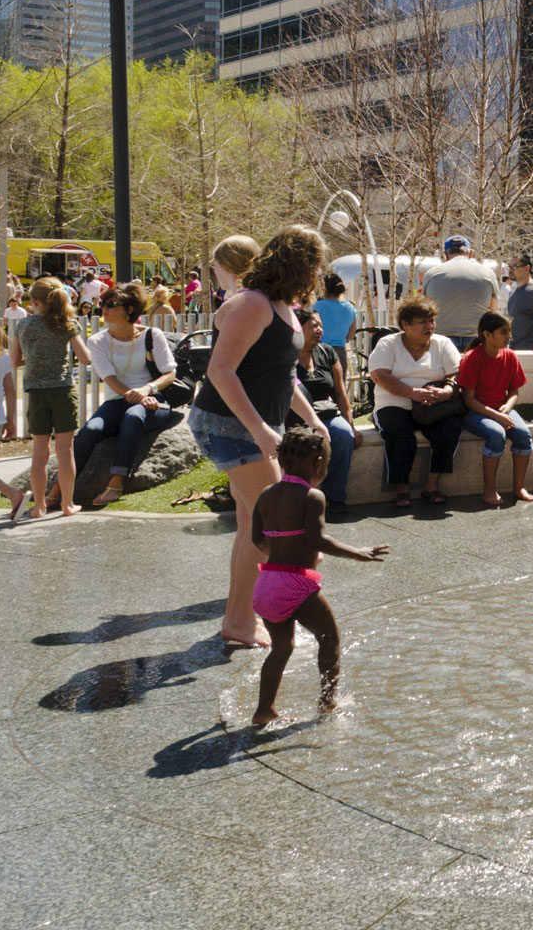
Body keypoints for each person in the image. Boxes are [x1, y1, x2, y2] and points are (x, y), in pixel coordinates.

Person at [189, 228, 331, 649]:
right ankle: (276, 615)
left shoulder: (283, 307)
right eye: (317, 264)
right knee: (281, 524)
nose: (320, 272)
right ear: (301, 264)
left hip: (252, 426)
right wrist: (261, 429)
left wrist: (312, 418)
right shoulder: (252, 303)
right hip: (228, 426)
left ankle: (238, 621)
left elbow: (283, 375)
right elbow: (220, 371)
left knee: (255, 525)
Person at [249, 426, 390, 725]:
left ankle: (264, 710)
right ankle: (327, 702)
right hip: (296, 585)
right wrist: (358, 552)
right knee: (330, 639)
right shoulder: (311, 496)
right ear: (317, 464)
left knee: (281, 648)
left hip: (266, 584)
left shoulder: (266, 494)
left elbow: (257, 539)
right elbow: (318, 540)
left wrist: (282, 552)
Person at [72, 283, 183, 507]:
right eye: (103, 304)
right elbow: (109, 379)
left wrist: (146, 391)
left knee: (134, 416)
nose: (104, 308)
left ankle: (117, 481)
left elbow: (170, 373)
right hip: (117, 401)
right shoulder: (97, 341)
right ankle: (59, 485)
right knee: (91, 429)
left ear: (130, 309)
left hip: (155, 400)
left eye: (112, 304)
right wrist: (138, 396)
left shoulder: (152, 335)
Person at [367, 295, 465, 510]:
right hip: (394, 404)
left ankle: (432, 486)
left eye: (432, 321)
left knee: (451, 429)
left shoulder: (442, 344)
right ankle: (401, 489)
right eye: (423, 322)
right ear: (405, 325)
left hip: (434, 406)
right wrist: (412, 393)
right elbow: (379, 376)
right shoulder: (388, 344)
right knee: (400, 435)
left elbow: (458, 375)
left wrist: (446, 392)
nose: (430, 326)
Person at [10, 278, 93, 518]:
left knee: (40, 452)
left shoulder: (23, 326)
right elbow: (85, 358)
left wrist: (34, 361)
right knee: (65, 450)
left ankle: (38, 506)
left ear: (34, 301)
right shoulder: (67, 324)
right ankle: (67, 504)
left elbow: (15, 362)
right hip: (63, 390)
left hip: (36, 392)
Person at [459, 311, 533, 507]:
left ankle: (518, 488)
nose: (509, 336)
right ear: (486, 334)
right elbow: (468, 400)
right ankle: (489, 490)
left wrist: (506, 407)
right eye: (504, 332)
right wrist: (496, 416)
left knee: (523, 435)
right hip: (475, 412)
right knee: (496, 434)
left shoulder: (510, 356)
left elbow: (514, 392)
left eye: (509, 331)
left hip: (501, 410)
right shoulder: (472, 358)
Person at [291, 306, 360, 519]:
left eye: (321, 325)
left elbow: (340, 393)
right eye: (313, 326)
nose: (319, 330)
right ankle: (298, 500)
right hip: (294, 418)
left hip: (326, 414)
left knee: (342, 435)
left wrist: (351, 425)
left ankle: (334, 497)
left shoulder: (327, 352)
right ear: (298, 328)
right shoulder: (286, 355)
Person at [420, 236, 500, 350]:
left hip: (442, 340)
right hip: (477, 340)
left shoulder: (432, 274)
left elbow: (424, 310)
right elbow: (494, 312)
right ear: (470, 253)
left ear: (446, 255)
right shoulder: (488, 273)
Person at [313, 273, 358, 371]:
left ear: (324, 289)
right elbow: (350, 336)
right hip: (340, 354)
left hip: (319, 351)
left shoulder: (317, 306)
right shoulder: (351, 308)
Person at [505, 257, 533, 351]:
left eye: (515, 266)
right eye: (509, 267)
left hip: (530, 354)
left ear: (527, 268)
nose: (510, 270)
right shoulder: (513, 291)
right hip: (514, 350)